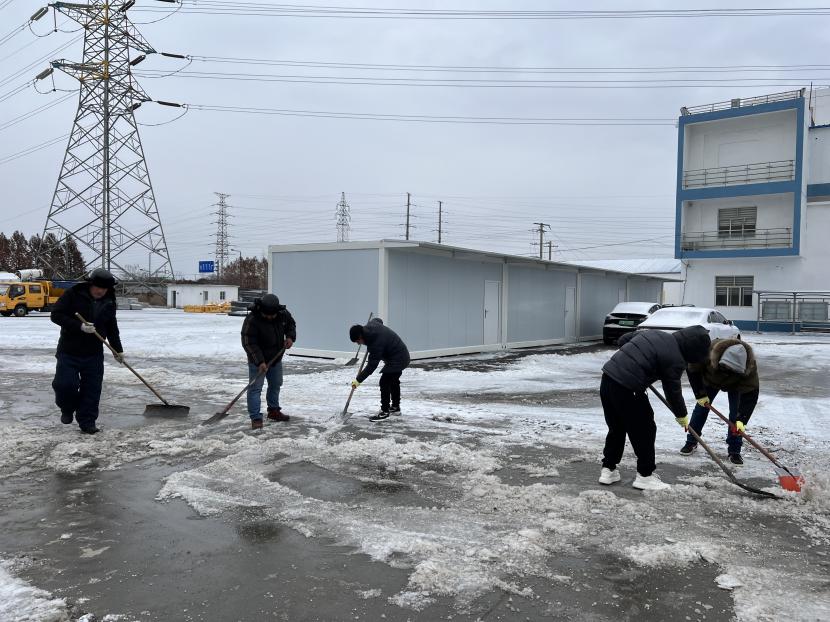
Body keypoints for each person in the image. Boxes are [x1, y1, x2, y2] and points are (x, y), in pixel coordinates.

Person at [598, 325, 711, 491]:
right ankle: (645, 476)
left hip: (608, 379)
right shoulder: (676, 358)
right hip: (628, 387)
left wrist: (636, 358)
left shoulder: (655, 333)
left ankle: (608, 470)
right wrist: (682, 415)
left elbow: (623, 340)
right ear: (692, 350)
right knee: (645, 430)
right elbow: (672, 391)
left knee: (617, 427)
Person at [50, 268, 124, 434]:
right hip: (69, 351)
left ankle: (87, 422)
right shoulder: (73, 294)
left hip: (93, 353)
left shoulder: (109, 301)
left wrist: (117, 350)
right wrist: (79, 326)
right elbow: (56, 315)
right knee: (65, 385)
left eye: (104, 288)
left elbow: (112, 327)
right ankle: (67, 408)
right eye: (98, 287)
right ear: (90, 284)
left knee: (92, 390)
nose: (100, 291)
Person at [681, 338, 759, 465]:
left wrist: (742, 419)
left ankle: (734, 450)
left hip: (736, 385)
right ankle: (691, 441)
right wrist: (700, 394)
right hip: (710, 381)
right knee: (701, 409)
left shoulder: (749, 366)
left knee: (736, 416)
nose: (727, 372)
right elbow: (692, 369)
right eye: (726, 368)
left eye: (732, 370)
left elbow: (751, 393)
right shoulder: (708, 351)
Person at [241, 293, 296, 430]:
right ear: (261, 310)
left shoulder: (282, 314)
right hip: (257, 360)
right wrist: (260, 362)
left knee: (276, 384)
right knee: (255, 389)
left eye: (273, 315)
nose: (270, 317)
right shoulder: (252, 319)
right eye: (267, 315)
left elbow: (291, 324)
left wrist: (290, 337)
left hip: (276, 357)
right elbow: (248, 342)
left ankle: (273, 411)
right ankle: (256, 418)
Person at [349, 317, 410, 422]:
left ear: (360, 336)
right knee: (393, 381)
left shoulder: (375, 343)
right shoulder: (371, 325)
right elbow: (378, 320)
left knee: (384, 382)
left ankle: (385, 411)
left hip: (398, 359)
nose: (359, 344)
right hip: (400, 354)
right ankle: (395, 408)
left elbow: (371, 366)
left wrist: (358, 380)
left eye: (358, 341)